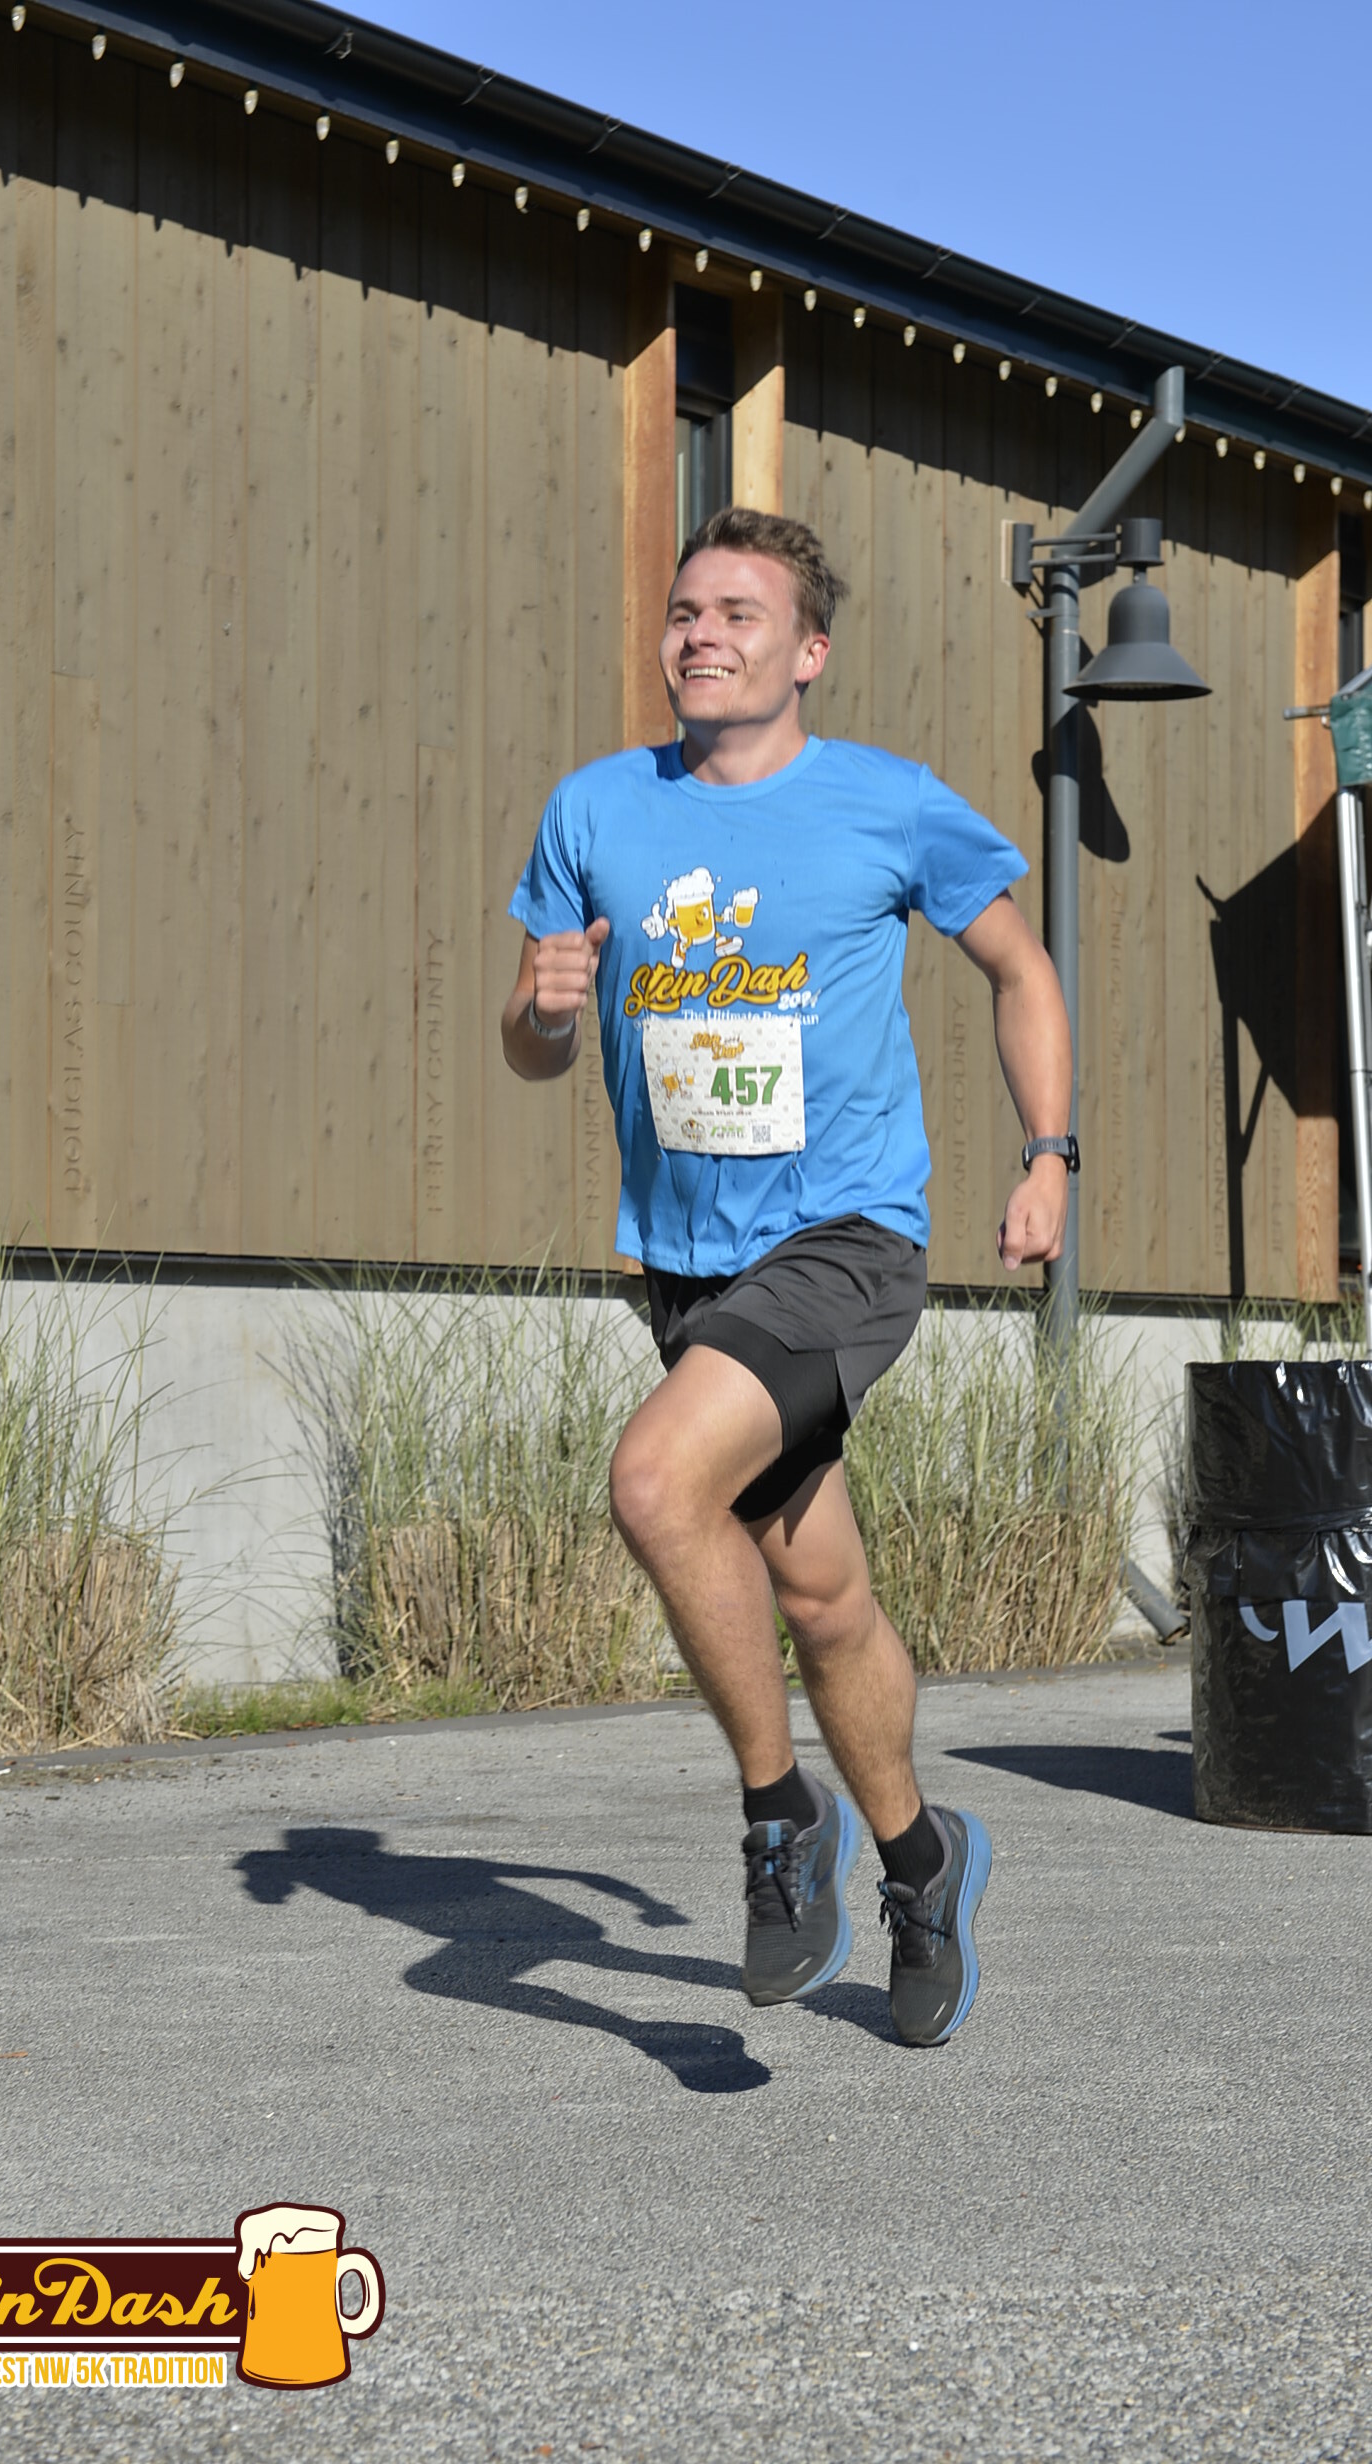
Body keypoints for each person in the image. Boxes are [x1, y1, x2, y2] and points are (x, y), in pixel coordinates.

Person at [500, 505, 1073, 2048]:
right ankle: (922, 1861)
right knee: (820, 1594)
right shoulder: (595, 810)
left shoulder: (889, 806)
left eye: (739, 614)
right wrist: (544, 1009)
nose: (702, 635)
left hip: (846, 1242)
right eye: (685, 611)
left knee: (653, 1483)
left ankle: (780, 1819)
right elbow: (534, 1044)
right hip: (690, 1269)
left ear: (807, 652)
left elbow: (1020, 967)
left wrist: (1049, 1154)